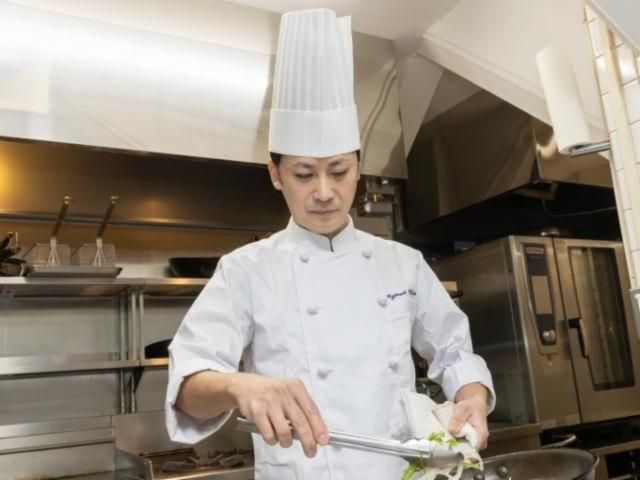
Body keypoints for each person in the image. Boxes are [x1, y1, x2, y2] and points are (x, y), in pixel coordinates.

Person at [166, 8, 494, 479]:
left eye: (339, 171)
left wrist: (472, 397)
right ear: (275, 174)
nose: (324, 191)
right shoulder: (245, 270)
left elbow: (454, 352)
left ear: (359, 168)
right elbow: (187, 388)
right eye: (304, 174)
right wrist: (240, 386)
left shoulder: (403, 264)